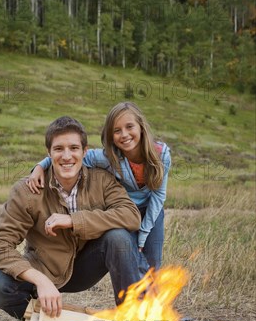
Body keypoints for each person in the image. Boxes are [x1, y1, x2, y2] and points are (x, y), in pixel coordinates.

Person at [0, 116, 142, 319]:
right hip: (44, 267)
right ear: (49, 153)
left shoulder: (102, 180)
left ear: (85, 151)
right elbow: (1, 246)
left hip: (85, 267)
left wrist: (74, 220)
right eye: (58, 149)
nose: (67, 156)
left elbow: (131, 216)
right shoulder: (27, 190)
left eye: (74, 148)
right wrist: (40, 280)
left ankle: (134, 319)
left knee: (119, 237)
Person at [27, 102, 171, 271]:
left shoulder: (160, 154)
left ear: (141, 126)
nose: (124, 135)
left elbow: (158, 195)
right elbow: (72, 157)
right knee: (133, 260)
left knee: (153, 262)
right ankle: (134, 296)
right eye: (117, 131)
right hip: (123, 209)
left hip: (151, 209)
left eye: (129, 127)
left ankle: (155, 296)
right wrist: (40, 166)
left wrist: (144, 233)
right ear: (110, 135)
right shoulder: (107, 157)